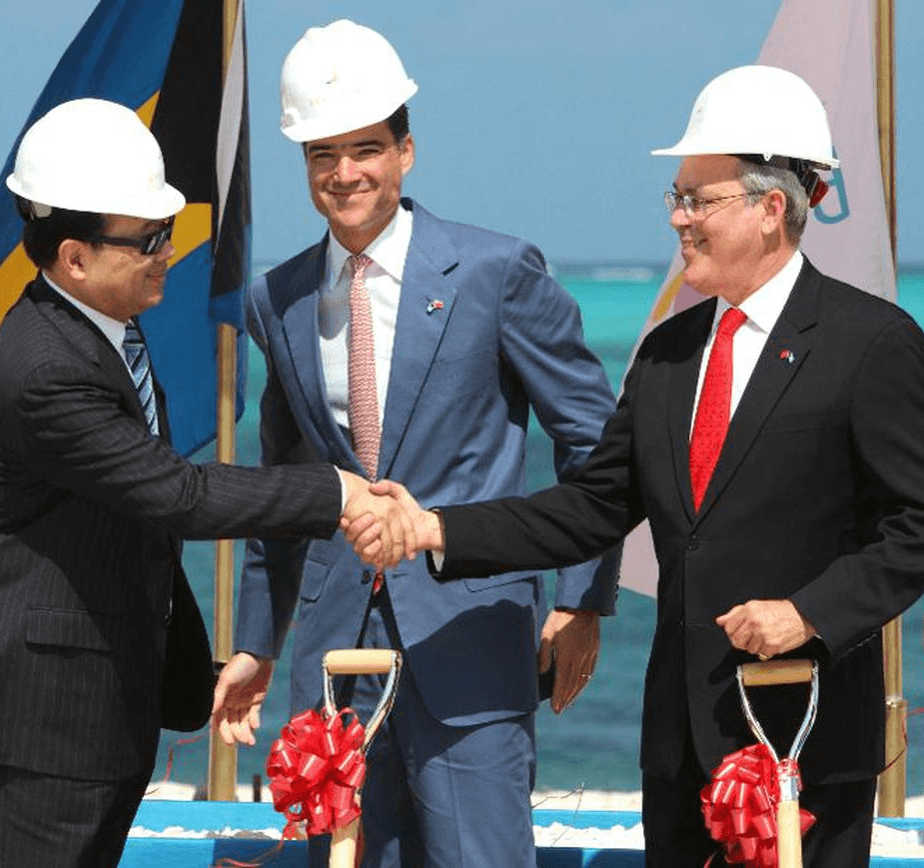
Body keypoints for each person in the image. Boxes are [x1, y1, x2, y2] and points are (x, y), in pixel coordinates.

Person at [366, 66, 924, 868]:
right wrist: (435, 528)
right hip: (678, 753)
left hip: (802, 744)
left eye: (697, 199)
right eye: (675, 199)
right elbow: (588, 508)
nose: (679, 220)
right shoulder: (669, 354)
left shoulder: (870, 343)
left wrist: (810, 612)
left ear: (771, 208)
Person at [0, 98, 411, 867]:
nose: (166, 252)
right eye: (148, 239)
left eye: (168, 233)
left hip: (94, 718)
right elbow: (175, 496)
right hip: (39, 730)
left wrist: (202, 675)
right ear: (74, 256)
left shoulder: (104, 324)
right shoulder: (50, 368)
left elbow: (129, 533)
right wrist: (337, 492)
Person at [210, 19, 619, 868]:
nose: (345, 172)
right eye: (324, 154)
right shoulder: (275, 300)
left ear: (407, 152)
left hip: (471, 640)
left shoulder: (497, 273)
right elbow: (282, 487)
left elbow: (595, 444)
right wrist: (256, 641)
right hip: (332, 664)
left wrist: (583, 601)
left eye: (365, 148)